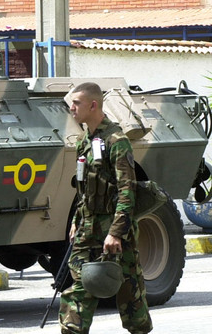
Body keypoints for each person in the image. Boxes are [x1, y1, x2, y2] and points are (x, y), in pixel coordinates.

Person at [59, 82, 152, 334]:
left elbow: (127, 189)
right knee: (79, 285)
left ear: (93, 105)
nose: (71, 107)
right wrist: (76, 221)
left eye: (76, 103)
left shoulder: (116, 141)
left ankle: (139, 329)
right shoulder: (84, 141)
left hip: (113, 229)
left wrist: (116, 232)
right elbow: (83, 189)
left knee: (128, 290)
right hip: (87, 228)